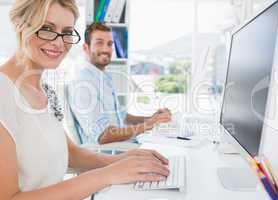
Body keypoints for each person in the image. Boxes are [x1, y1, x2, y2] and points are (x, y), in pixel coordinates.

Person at [0, 1, 169, 199]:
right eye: (46, 28)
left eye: (67, 32)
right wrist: (106, 175)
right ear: (20, 24)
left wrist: (122, 160)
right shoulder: (3, 93)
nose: (59, 42)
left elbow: (70, 153)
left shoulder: (44, 90)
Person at [67, 22, 172, 145]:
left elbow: (123, 118)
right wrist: (148, 125)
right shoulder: (83, 83)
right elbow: (103, 135)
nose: (106, 49)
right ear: (86, 48)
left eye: (110, 44)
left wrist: (153, 118)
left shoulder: (104, 78)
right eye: (99, 43)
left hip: (125, 147)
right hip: (109, 155)